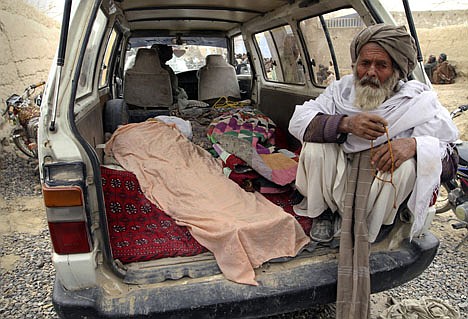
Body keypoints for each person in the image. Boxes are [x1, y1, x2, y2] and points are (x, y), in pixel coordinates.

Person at [288, 24, 459, 317]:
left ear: (397, 71)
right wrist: (344, 124)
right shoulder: (340, 91)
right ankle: (325, 214)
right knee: (314, 144)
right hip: (337, 183)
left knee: (411, 161)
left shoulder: (417, 101)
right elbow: (299, 120)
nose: (370, 72)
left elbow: (450, 160)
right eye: (365, 63)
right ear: (356, 64)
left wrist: (414, 144)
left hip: (377, 191)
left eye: (381, 65)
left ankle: (370, 225)